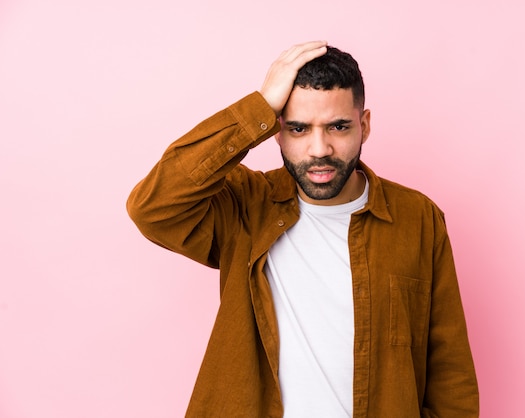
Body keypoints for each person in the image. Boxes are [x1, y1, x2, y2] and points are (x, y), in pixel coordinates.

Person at [127, 41, 479, 418]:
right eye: (298, 128)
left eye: (338, 127)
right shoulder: (246, 205)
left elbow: (450, 375)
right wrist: (257, 109)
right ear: (276, 131)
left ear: (364, 125)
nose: (319, 149)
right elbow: (152, 207)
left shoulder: (417, 218)